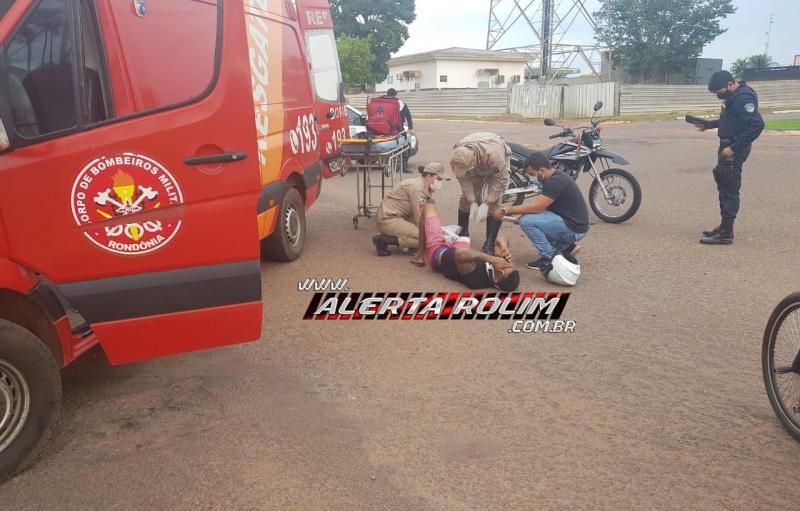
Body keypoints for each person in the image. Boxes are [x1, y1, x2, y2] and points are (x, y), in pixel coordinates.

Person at [696, 70, 764, 245]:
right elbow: (731, 120)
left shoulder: (743, 98)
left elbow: (756, 125)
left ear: (729, 84)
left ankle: (727, 234)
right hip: (727, 146)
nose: (719, 95)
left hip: (734, 148)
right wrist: (709, 124)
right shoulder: (734, 96)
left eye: (719, 92)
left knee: (730, 187)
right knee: (724, 184)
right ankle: (724, 227)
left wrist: (733, 149)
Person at [493, 151, 589, 271]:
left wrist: (506, 210)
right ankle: (566, 248)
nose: (531, 177)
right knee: (528, 219)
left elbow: (536, 207)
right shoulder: (554, 177)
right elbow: (543, 207)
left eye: (532, 174)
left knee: (527, 222)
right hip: (574, 224)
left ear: (541, 170)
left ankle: (549, 257)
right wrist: (522, 214)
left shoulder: (555, 182)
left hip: (574, 228)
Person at [411, 198, 520, 292]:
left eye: (506, 266)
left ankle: (420, 254)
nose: (506, 263)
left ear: (499, 274)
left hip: (438, 251)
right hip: (459, 249)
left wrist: (492, 259)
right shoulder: (498, 270)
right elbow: (501, 238)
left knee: (428, 205)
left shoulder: (475, 279)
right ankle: (440, 232)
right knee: (464, 238)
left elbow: (459, 254)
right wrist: (504, 246)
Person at [450, 132, 511, 254]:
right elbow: (463, 179)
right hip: (475, 164)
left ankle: (489, 243)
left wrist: (488, 202)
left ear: (473, 161)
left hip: (495, 165)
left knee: (495, 205)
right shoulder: (457, 157)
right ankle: (463, 233)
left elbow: (500, 180)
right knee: (465, 200)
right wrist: (472, 200)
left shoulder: (494, 155)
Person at [372, 162, 451, 256]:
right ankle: (384, 240)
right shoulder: (418, 189)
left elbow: (422, 211)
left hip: (397, 217)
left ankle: (407, 243)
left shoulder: (422, 185)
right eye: (438, 178)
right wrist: (436, 233)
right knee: (426, 240)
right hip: (388, 220)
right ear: (428, 176)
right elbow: (420, 217)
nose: (440, 182)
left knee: (426, 236)